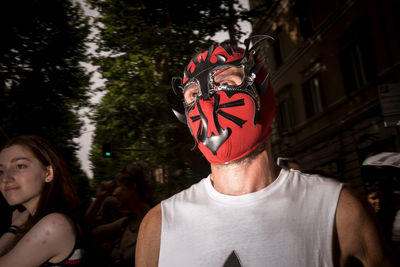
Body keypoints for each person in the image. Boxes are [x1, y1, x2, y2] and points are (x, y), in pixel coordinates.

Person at [136, 36, 395, 266]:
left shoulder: (339, 209)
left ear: (262, 93)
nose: (205, 103)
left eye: (225, 83)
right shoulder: (158, 227)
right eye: (193, 95)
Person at [0, 135, 84, 266]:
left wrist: (13, 228)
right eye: (0, 171)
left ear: (48, 173)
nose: (5, 178)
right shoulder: (37, 222)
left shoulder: (54, 225)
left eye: (20, 166)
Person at [86, 161, 154, 267]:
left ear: (132, 186)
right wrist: (99, 199)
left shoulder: (159, 225)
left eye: (119, 186)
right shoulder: (124, 224)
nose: (114, 192)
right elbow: (85, 231)